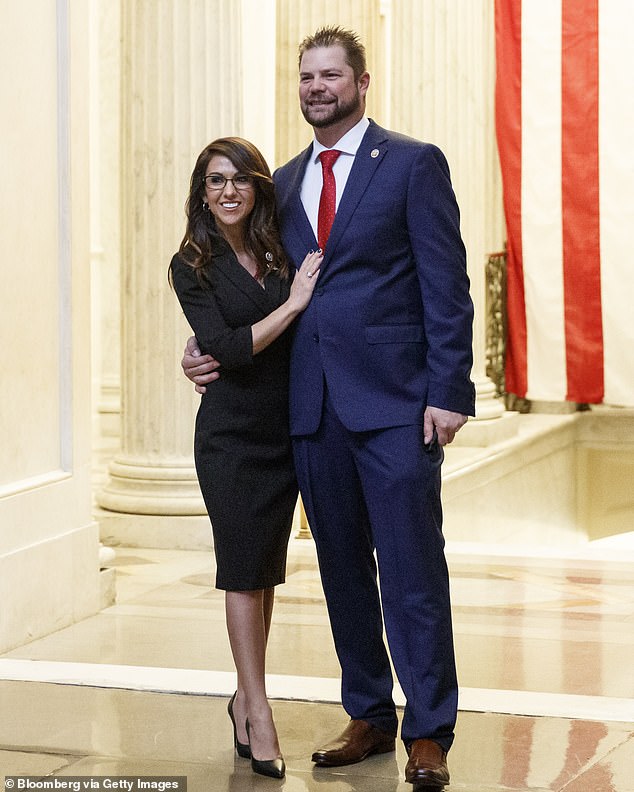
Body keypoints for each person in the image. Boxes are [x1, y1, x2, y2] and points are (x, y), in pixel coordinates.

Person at [182, 27, 475, 789]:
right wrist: (203, 347)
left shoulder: (412, 164)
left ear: (362, 81)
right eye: (307, 76)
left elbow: (447, 284)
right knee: (343, 569)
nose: (316, 87)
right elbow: (255, 288)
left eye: (331, 75)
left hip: (396, 407)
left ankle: (430, 727)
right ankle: (370, 714)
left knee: (411, 568)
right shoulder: (279, 182)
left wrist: (450, 391)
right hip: (309, 409)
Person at [170, 137, 322, 779]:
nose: (227, 192)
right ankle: (258, 709)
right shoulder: (191, 264)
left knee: (264, 571)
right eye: (214, 182)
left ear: (258, 186)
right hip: (230, 436)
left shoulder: (279, 247)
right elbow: (228, 350)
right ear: (201, 193)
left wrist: (284, 309)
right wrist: (292, 305)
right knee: (239, 569)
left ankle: (243, 696)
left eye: (238, 180)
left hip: (283, 430)